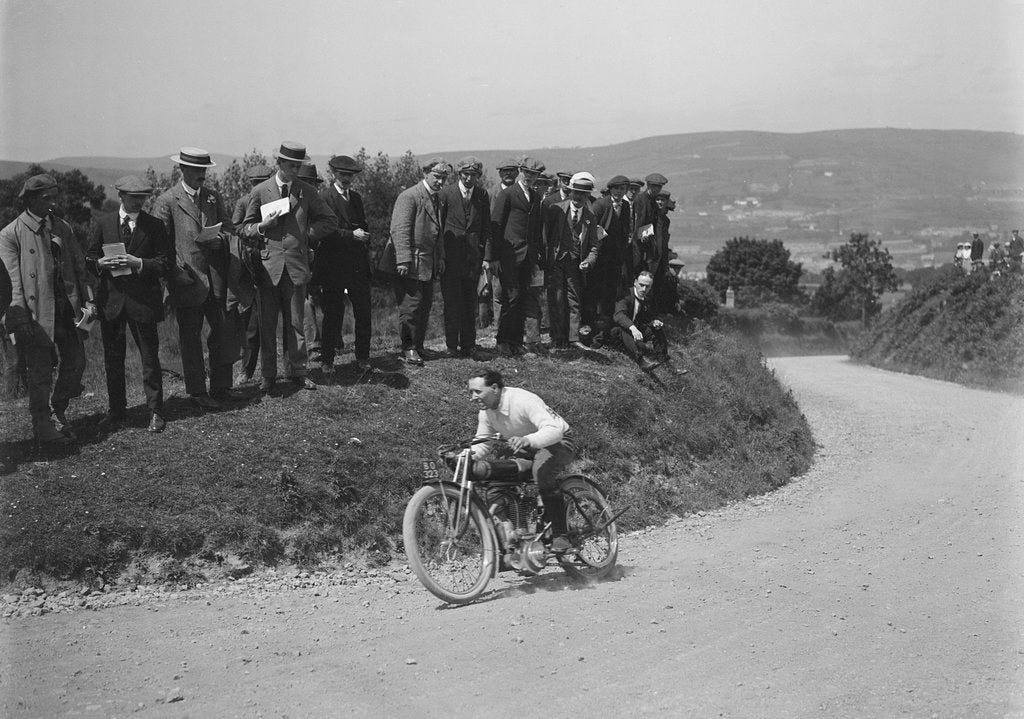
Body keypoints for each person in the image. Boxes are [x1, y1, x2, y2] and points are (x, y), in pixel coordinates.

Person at [0, 174, 94, 444]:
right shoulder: (11, 235)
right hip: (36, 314)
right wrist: (19, 320)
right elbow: (11, 285)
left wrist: (89, 301)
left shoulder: (62, 227)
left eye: (55, 197)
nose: (53, 203)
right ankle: (42, 425)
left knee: (77, 362)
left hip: (68, 311)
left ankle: (58, 409)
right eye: (46, 198)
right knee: (40, 373)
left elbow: (78, 267)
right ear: (30, 199)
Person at [241, 141, 338, 394]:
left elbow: (330, 220)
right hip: (268, 268)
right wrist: (262, 226)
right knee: (267, 325)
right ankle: (269, 376)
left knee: (296, 323)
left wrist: (306, 234)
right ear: (279, 163)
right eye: (291, 165)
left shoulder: (307, 192)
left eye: (298, 166)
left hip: (296, 267)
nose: (295, 170)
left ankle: (298, 372)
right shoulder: (261, 191)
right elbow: (244, 228)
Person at [87, 175, 173, 433]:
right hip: (111, 302)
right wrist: (99, 264)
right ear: (121, 196)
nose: (139, 202)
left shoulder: (155, 226)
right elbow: (89, 257)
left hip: (143, 302)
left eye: (143, 198)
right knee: (113, 360)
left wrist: (140, 264)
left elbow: (166, 263)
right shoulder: (103, 223)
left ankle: (156, 411)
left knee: (149, 358)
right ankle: (117, 412)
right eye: (134, 197)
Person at [153, 148, 238, 408]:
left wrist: (220, 241)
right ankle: (198, 392)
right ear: (183, 170)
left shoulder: (213, 197)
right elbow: (159, 245)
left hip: (215, 277)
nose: (202, 175)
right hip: (187, 280)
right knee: (190, 337)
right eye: (197, 170)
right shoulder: (167, 201)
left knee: (221, 331)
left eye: (204, 170)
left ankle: (222, 387)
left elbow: (228, 228)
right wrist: (174, 273)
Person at [467, 367, 576, 552]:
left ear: (494, 388)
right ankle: (517, 536)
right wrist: (465, 456)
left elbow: (553, 430)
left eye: (477, 391)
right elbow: (483, 443)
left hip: (558, 441)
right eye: (470, 392)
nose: (473, 397)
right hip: (527, 447)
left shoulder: (522, 400)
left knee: (542, 473)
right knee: (496, 475)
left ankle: (561, 535)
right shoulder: (486, 412)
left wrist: (528, 440)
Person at [382, 158, 448, 366]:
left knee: (424, 305)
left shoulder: (436, 199)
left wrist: (441, 257)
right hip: (411, 262)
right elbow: (399, 230)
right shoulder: (409, 196)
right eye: (437, 177)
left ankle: (418, 346)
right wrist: (402, 260)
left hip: (428, 262)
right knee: (411, 307)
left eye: (444, 178)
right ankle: (408, 348)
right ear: (426, 174)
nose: (440, 182)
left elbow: (438, 233)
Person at [316, 154, 373, 372]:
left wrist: (365, 237)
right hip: (334, 266)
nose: (347, 179)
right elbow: (324, 231)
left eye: (350, 175)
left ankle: (363, 358)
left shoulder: (356, 198)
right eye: (343, 175)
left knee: (363, 313)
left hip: (357, 265)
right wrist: (351, 235)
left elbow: (364, 226)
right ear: (333, 174)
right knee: (333, 314)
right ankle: (327, 360)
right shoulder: (324, 198)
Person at [490, 157, 546, 356]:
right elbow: (495, 226)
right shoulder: (507, 195)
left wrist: (537, 255)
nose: (530, 178)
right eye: (528, 173)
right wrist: (493, 257)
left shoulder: (536, 197)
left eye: (535, 175)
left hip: (527, 257)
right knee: (511, 298)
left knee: (521, 299)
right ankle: (502, 341)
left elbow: (536, 228)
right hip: (509, 256)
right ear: (521, 172)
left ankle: (515, 342)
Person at [543, 171, 601, 351]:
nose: (578, 197)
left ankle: (573, 338)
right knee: (556, 299)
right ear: (570, 192)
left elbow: (594, 245)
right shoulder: (556, 209)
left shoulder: (590, 217)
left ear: (588, 196)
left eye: (583, 194)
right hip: (556, 261)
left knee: (574, 300)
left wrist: (589, 262)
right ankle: (557, 337)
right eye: (576, 193)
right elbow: (545, 236)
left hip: (575, 264)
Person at [439, 156, 490, 358]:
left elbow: (486, 227)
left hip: (472, 259)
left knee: (470, 302)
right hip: (451, 258)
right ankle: (451, 345)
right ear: (459, 174)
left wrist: (485, 256)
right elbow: (439, 226)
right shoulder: (446, 194)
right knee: (452, 301)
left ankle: (469, 344)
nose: (469, 179)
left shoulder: (481, 195)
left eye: (474, 175)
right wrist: (441, 256)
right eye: (466, 174)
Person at [230, 164, 274, 386]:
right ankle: (247, 369)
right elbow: (235, 228)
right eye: (255, 183)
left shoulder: (278, 200)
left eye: (263, 182)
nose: (259, 187)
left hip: (276, 264)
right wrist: (256, 229)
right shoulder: (244, 202)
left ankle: (280, 372)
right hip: (251, 265)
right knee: (252, 324)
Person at [589, 174, 634, 343]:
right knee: (597, 296)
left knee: (610, 296)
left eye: (622, 189)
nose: (618, 192)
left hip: (615, 261)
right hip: (600, 260)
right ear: (610, 189)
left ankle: (606, 332)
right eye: (616, 189)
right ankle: (595, 335)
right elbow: (590, 228)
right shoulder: (600, 205)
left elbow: (624, 232)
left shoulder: (626, 207)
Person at [479, 158, 522, 330]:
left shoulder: (521, 193)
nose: (508, 174)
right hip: (495, 249)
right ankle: (497, 327)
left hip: (517, 250)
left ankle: (514, 327)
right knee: (495, 290)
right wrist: (489, 254)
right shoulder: (491, 194)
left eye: (512, 170)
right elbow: (488, 224)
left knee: (516, 290)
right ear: (499, 173)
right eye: (505, 171)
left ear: (518, 173)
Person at [612, 271, 666, 373]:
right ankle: (641, 361)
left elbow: (648, 317)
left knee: (657, 329)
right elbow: (619, 315)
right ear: (635, 282)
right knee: (623, 329)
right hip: (617, 332)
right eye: (641, 285)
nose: (644, 289)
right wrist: (632, 328)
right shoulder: (625, 295)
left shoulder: (647, 299)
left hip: (635, 331)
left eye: (648, 286)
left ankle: (663, 359)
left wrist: (655, 322)